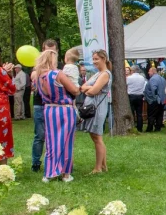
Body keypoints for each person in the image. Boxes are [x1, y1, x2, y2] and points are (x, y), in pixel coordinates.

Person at [32, 49, 79, 182]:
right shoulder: (57, 74)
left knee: (51, 141)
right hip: (64, 110)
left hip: (48, 110)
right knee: (66, 141)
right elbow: (74, 90)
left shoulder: (37, 76)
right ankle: (65, 174)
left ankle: (49, 172)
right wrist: (81, 87)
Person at [79, 50, 112, 173]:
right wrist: (90, 89)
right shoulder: (97, 74)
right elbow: (83, 87)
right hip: (91, 106)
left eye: (96, 59)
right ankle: (103, 166)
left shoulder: (105, 74)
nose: (94, 62)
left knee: (97, 137)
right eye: (93, 59)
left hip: (97, 108)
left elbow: (93, 91)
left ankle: (98, 167)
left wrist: (90, 89)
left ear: (104, 59)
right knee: (95, 136)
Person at [30, 39, 59, 174]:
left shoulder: (60, 68)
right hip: (40, 105)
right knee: (40, 135)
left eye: (53, 51)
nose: (50, 54)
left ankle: (53, 161)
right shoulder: (37, 68)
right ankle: (36, 162)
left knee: (54, 135)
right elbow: (34, 78)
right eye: (48, 51)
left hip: (54, 105)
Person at [144, 64, 166, 132]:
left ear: (153, 72)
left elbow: (154, 89)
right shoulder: (162, 78)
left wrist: (155, 98)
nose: (148, 73)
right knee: (159, 115)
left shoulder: (153, 79)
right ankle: (158, 127)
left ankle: (150, 128)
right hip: (162, 100)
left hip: (154, 100)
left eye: (149, 71)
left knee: (151, 115)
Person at [126, 65, 147, 132]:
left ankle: (131, 126)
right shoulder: (142, 78)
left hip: (131, 95)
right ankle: (140, 128)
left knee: (131, 112)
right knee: (139, 113)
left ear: (133, 71)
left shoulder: (129, 78)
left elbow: (126, 85)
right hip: (140, 96)